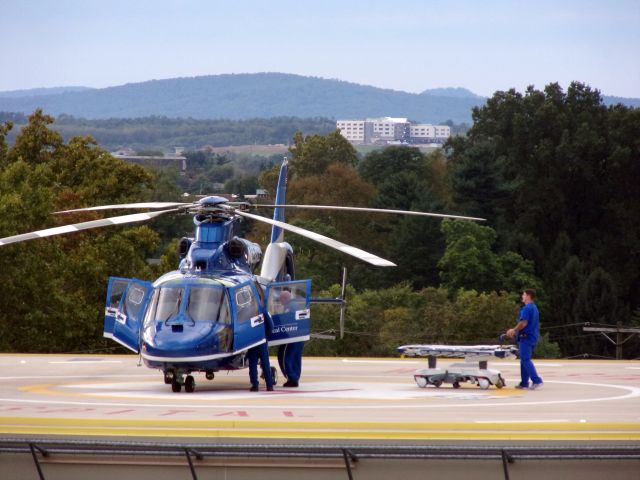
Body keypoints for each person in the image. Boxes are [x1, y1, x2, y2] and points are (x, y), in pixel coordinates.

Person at [506, 288, 543, 390]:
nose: (522, 296)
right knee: (524, 360)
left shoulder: (527, 308)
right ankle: (524, 383)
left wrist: (514, 330)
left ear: (528, 296)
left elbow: (523, 323)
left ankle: (537, 381)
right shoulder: (534, 307)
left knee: (525, 360)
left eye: (523, 294)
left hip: (526, 337)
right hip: (532, 336)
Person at [248, 284, 274, 392]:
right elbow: (271, 326)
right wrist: (265, 336)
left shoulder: (247, 313)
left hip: (252, 342)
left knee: (252, 364)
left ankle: (255, 385)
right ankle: (269, 386)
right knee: (265, 364)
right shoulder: (263, 311)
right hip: (262, 341)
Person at [276, 289, 304, 388]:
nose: (280, 302)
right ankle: (295, 377)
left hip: (291, 337)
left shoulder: (289, 307)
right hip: (300, 335)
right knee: (296, 357)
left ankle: (291, 378)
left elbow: (286, 321)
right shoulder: (296, 305)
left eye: (280, 299)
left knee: (284, 356)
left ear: (284, 298)